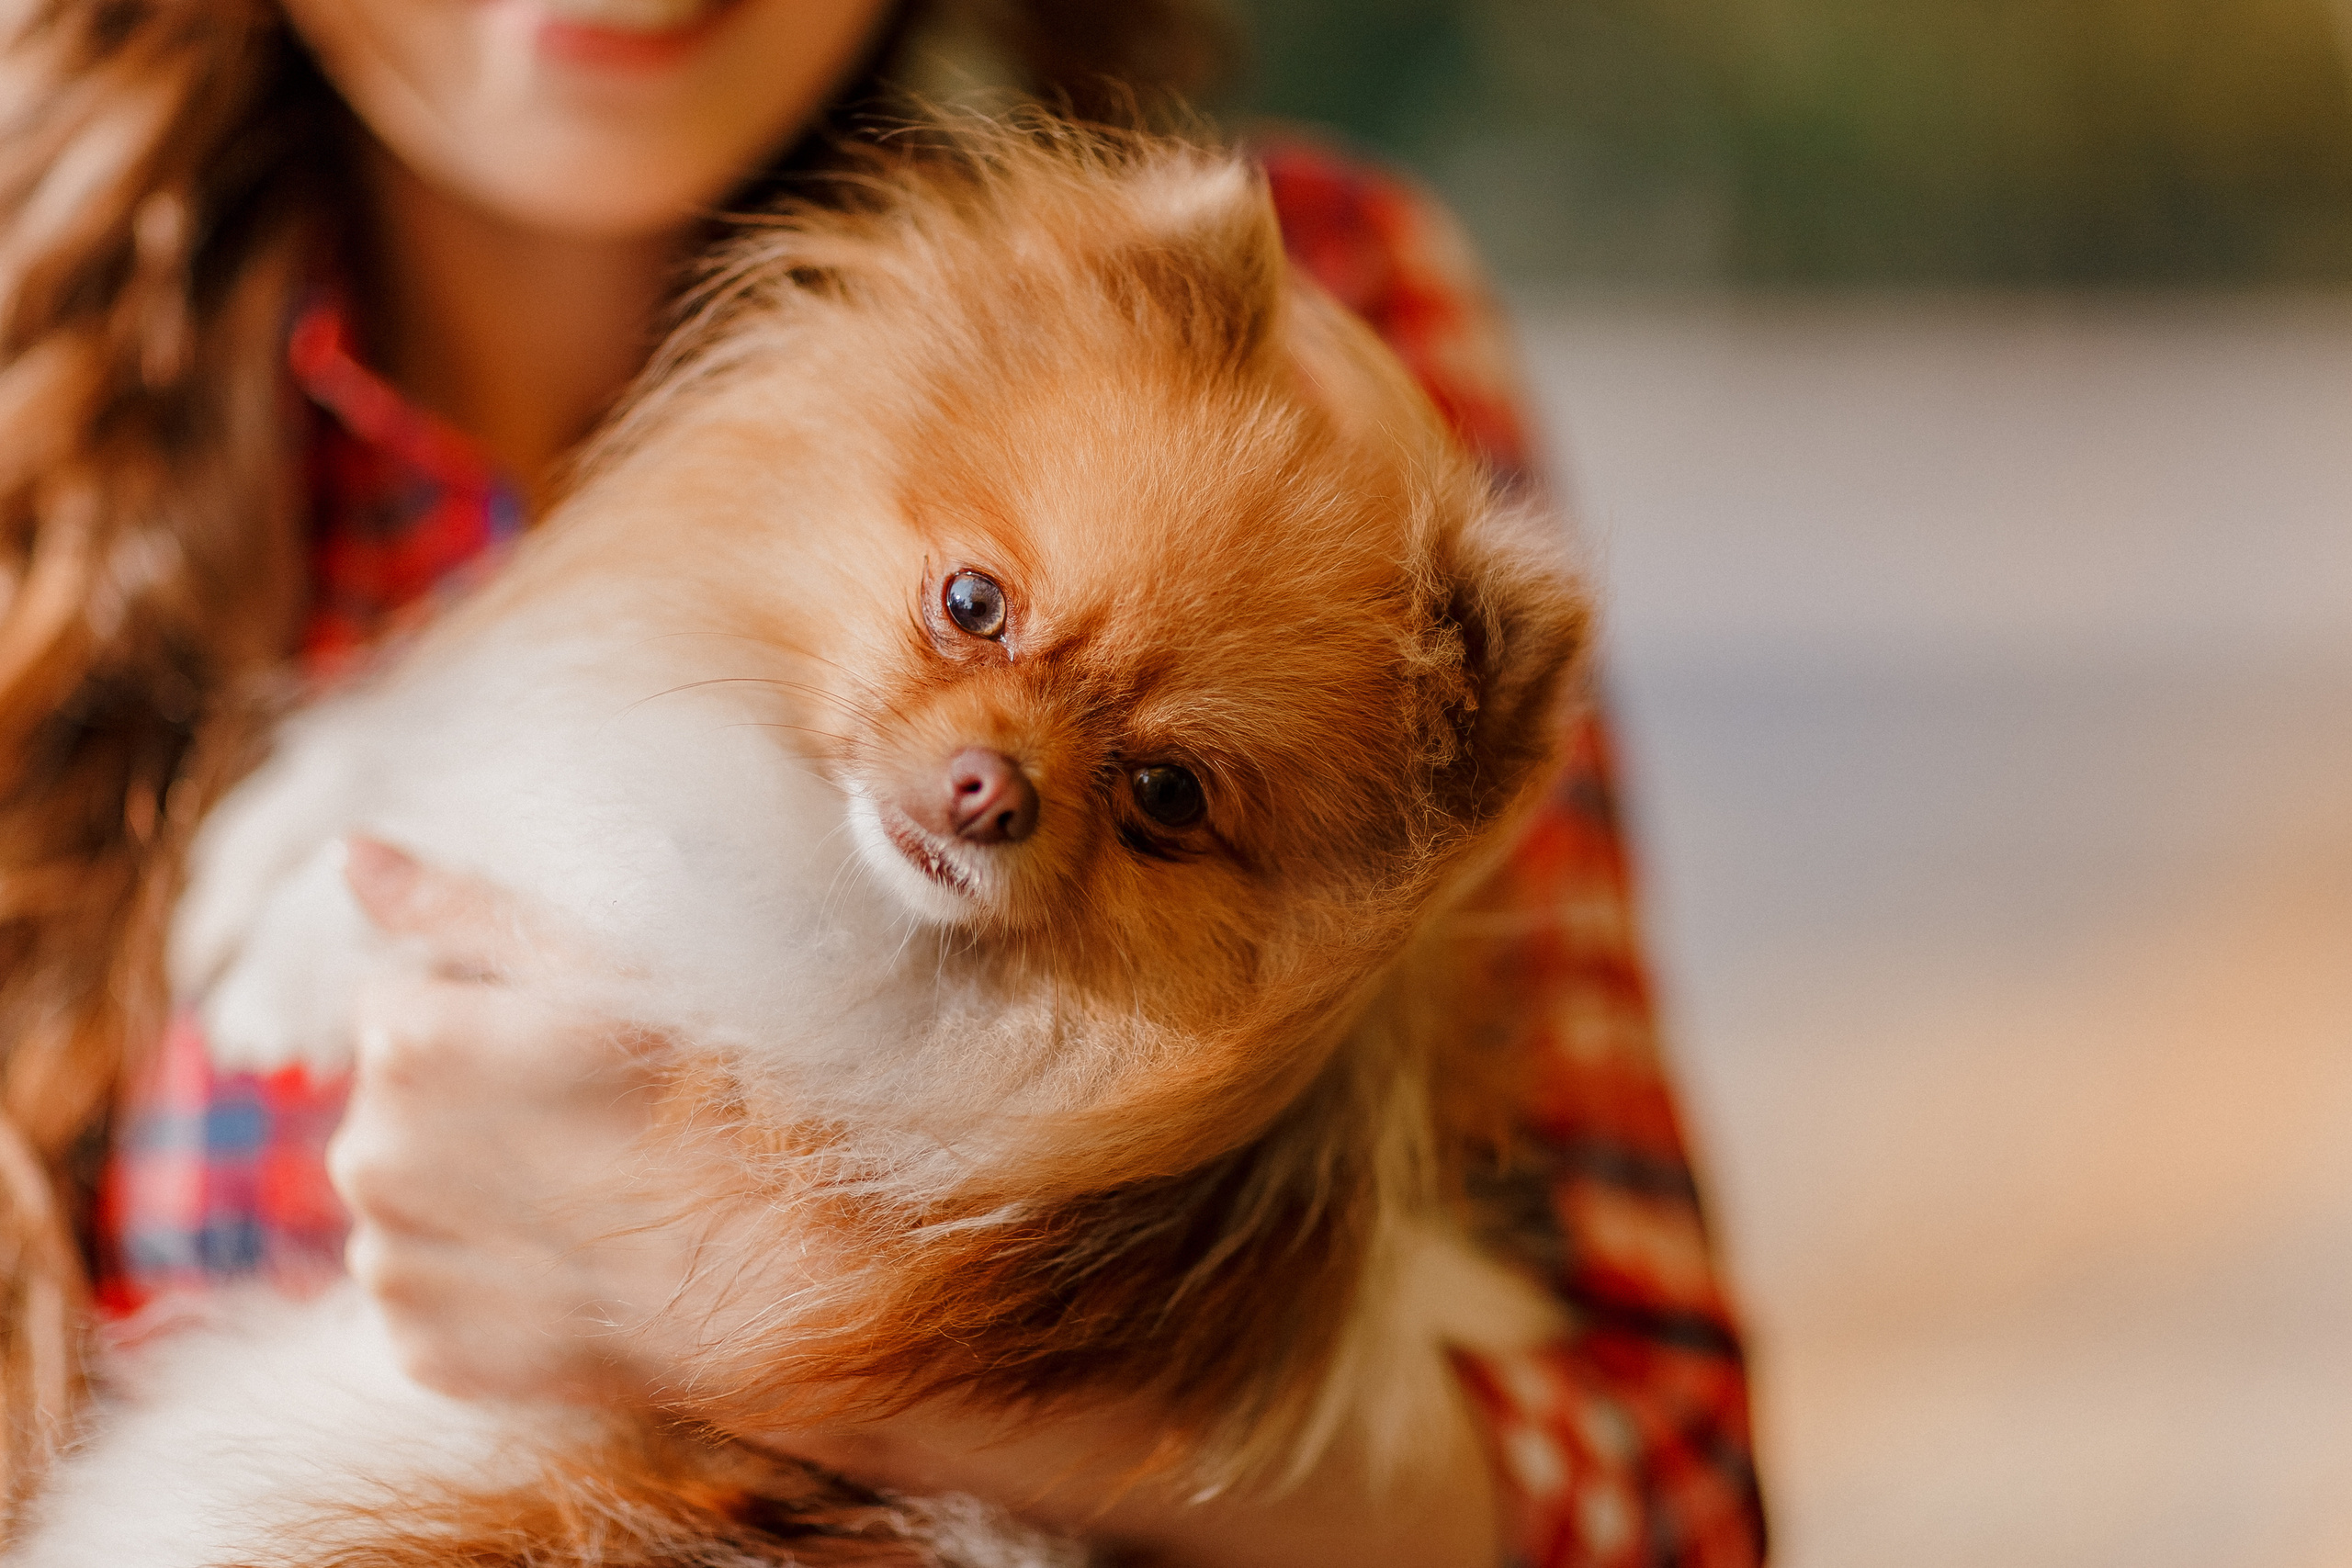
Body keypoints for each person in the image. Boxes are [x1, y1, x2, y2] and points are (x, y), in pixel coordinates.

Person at [0, 0, 1765, 1562]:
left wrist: (759, 1295)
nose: (995, 772)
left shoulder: (1315, 324)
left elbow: (1670, 1502)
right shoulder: (40, 372)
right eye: (972, 610)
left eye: (1161, 797)